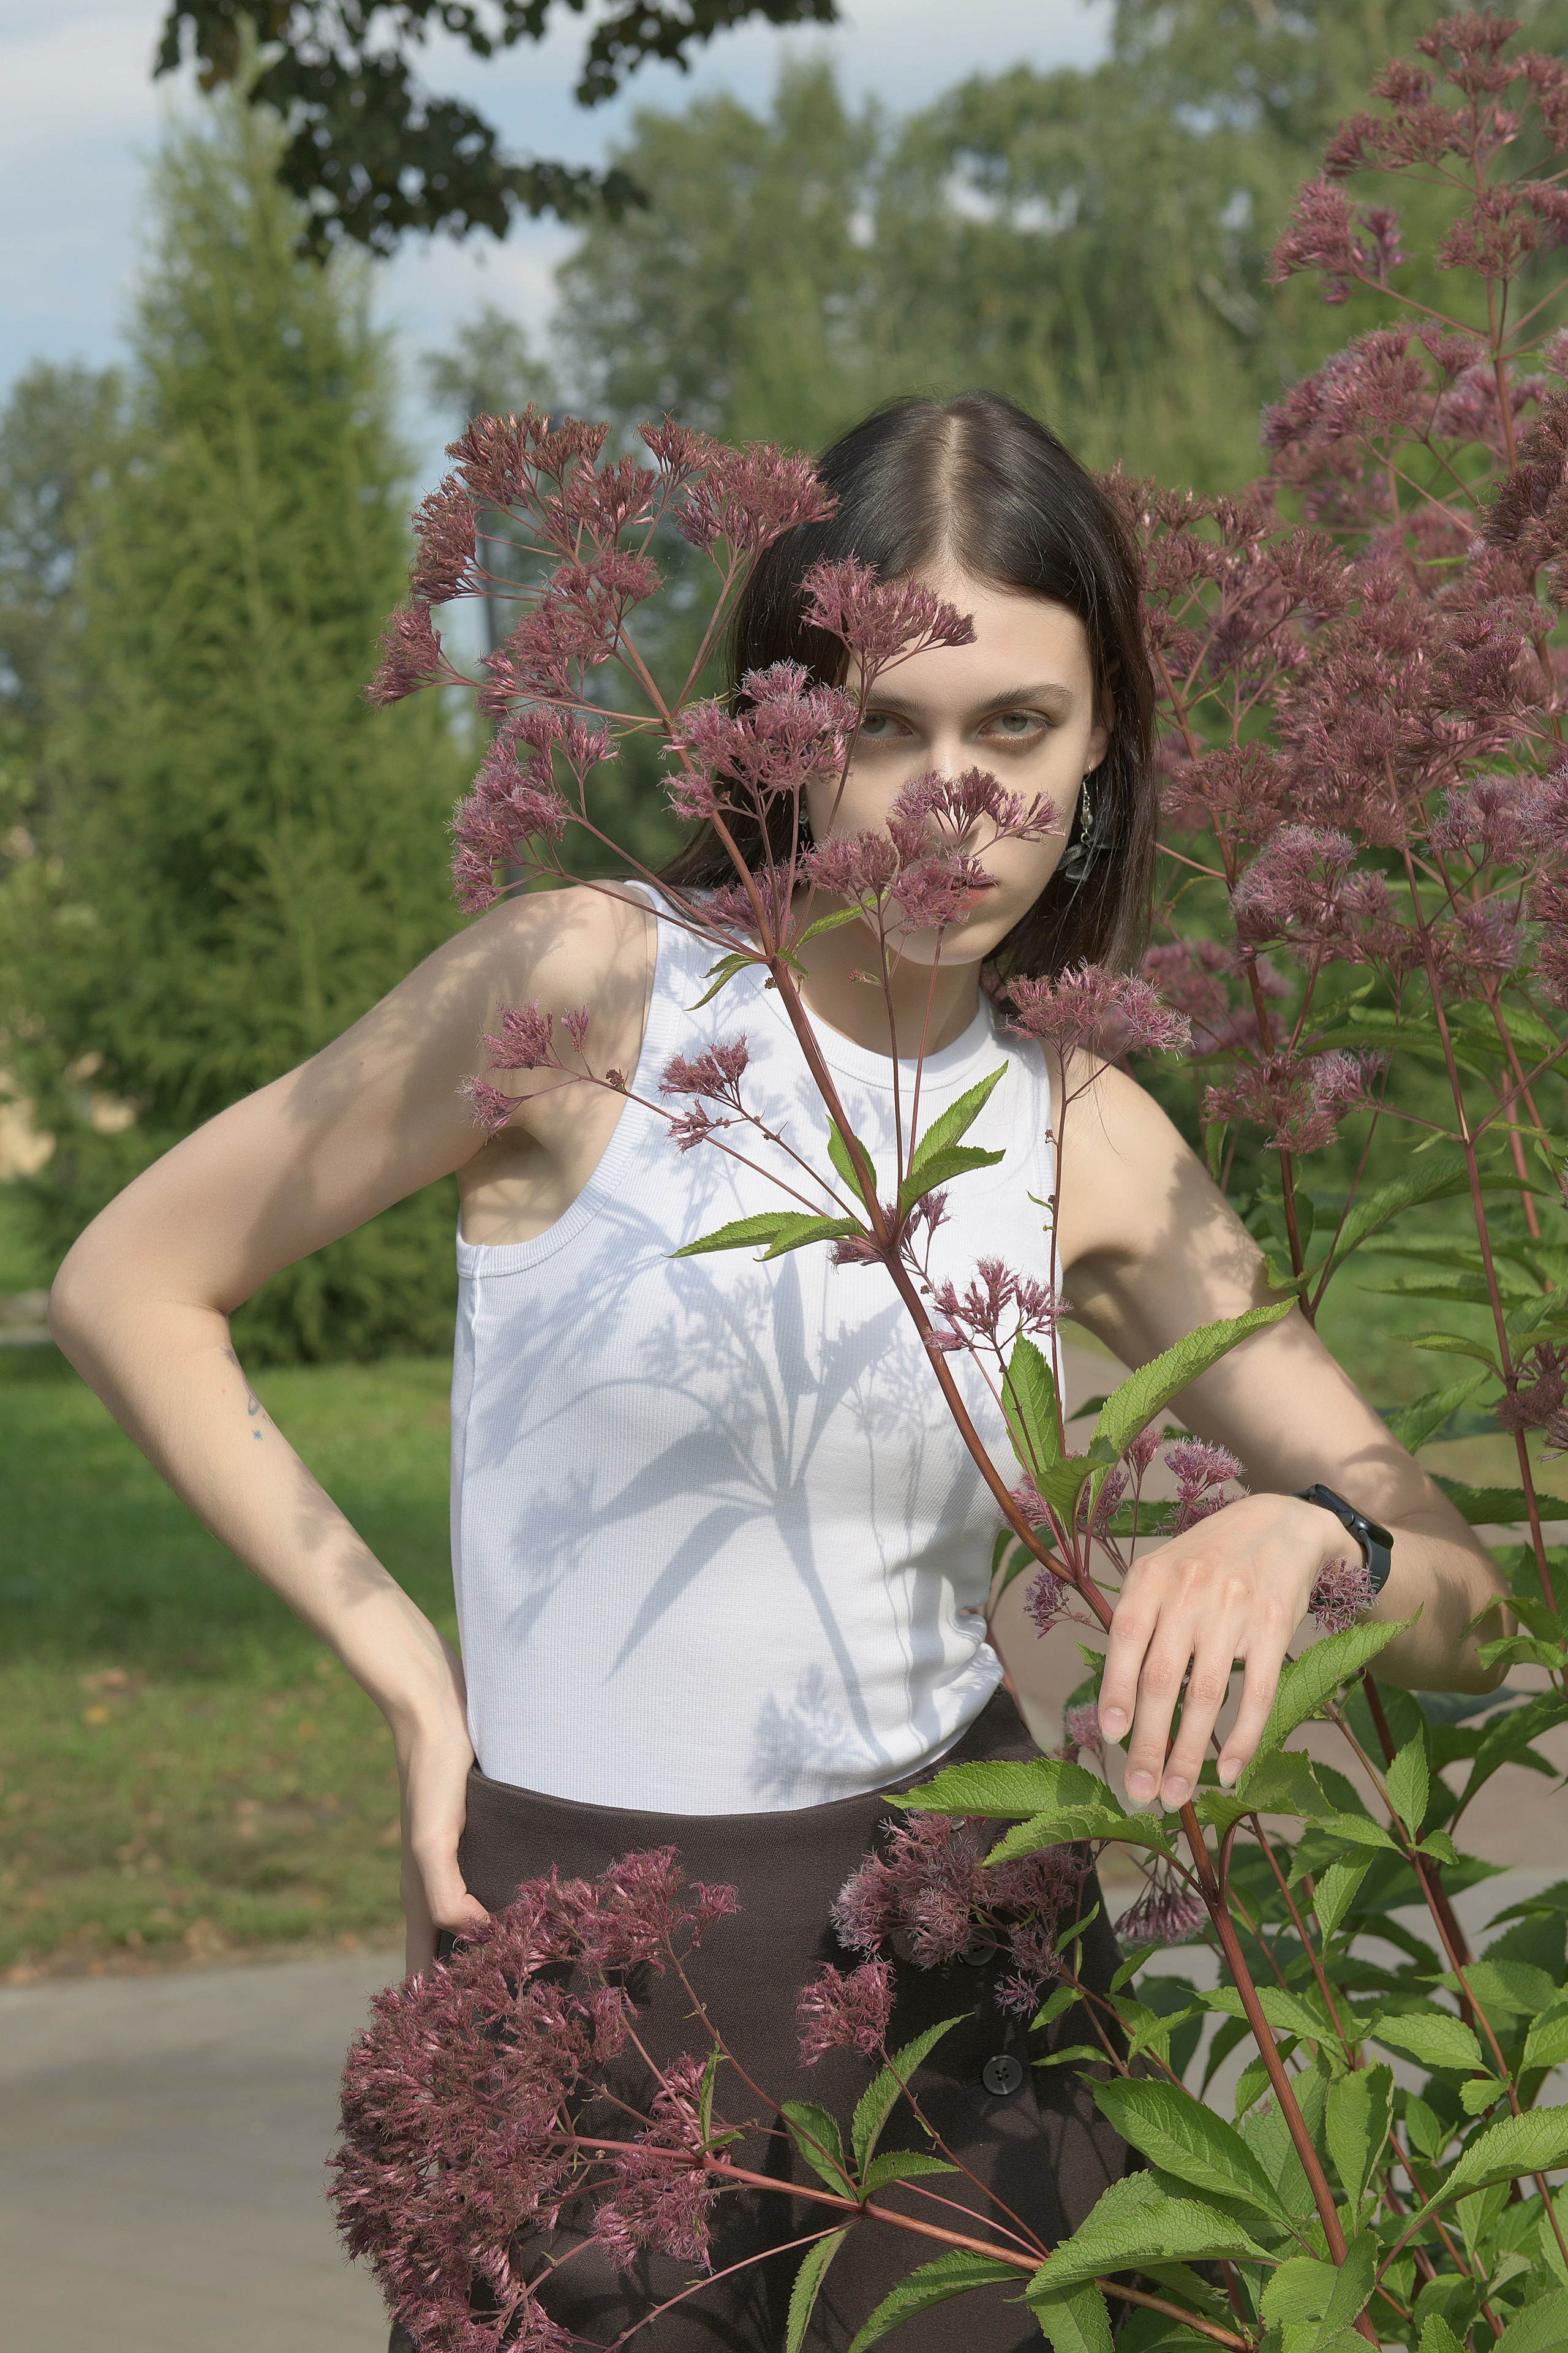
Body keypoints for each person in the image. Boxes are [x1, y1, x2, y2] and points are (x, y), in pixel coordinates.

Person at [48, 391, 1506, 2351]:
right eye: (883, 725)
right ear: (776, 718)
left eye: (1016, 729)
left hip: (970, 2048)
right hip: (574, 2020)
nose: (951, 801)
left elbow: (1468, 1595)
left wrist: (1296, 1532)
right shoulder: (590, 989)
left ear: (1102, 749)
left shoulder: (1086, 1126)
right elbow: (131, 1279)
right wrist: (412, 1676)